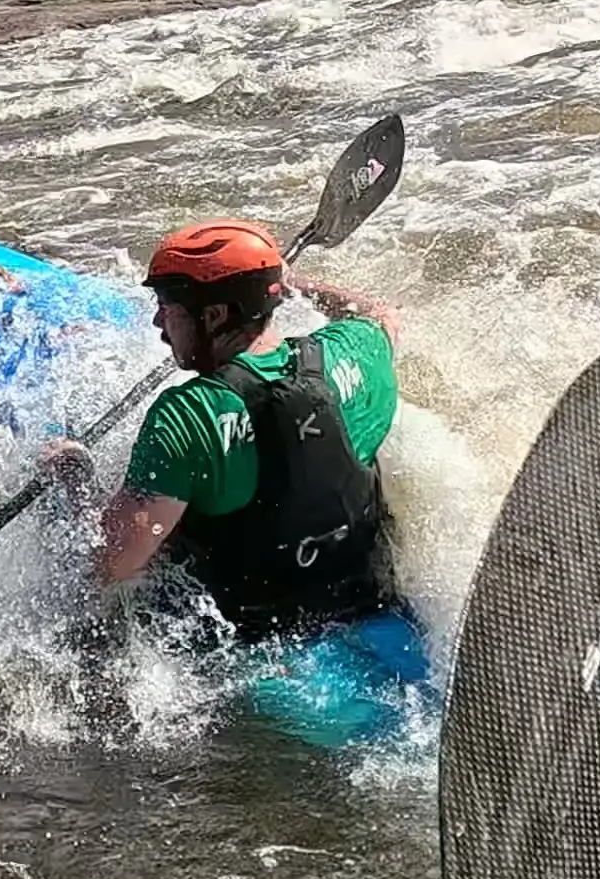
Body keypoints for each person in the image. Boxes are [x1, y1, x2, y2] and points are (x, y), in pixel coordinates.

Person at [49, 220, 405, 641]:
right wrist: (286, 284)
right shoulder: (353, 351)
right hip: (367, 601)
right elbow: (383, 317)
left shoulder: (186, 415)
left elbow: (108, 566)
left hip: (252, 642)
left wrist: (73, 478)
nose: (156, 322)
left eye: (168, 307)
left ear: (214, 315)